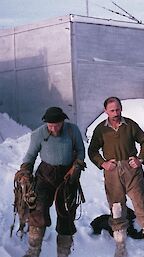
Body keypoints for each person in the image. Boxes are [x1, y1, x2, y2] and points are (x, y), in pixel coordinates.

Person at [88, 96, 144, 257]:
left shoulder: (129, 125)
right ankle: (120, 247)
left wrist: (141, 159)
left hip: (132, 172)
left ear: (121, 108)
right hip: (113, 172)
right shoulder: (101, 129)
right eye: (111, 110)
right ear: (105, 111)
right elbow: (92, 151)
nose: (115, 113)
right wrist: (103, 163)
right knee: (117, 209)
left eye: (117, 109)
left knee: (142, 206)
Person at [17, 107, 86, 257]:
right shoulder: (38, 134)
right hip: (45, 176)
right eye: (50, 125)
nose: (53, 128)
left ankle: (63, 254)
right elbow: (30, 155)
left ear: (63, 121)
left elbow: (81, 150)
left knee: (66, 216)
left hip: (67, 178)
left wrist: (77, 165)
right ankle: (33, 252)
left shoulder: (72, 130)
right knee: (37, 211)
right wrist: (25, 169)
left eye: (56, 124)